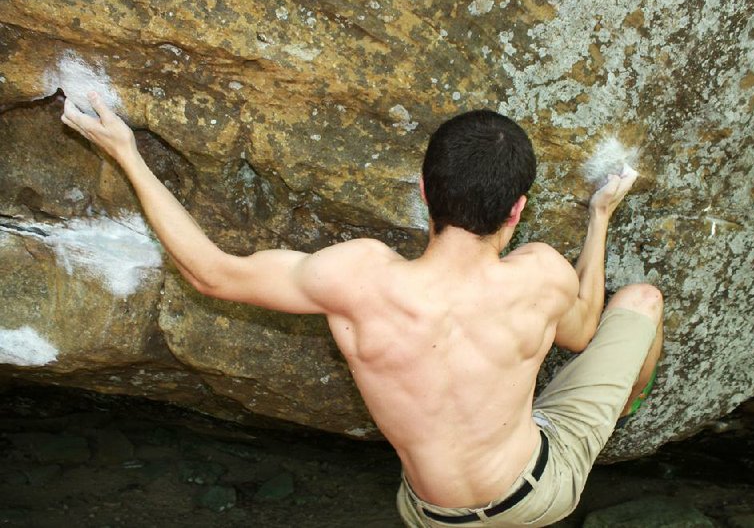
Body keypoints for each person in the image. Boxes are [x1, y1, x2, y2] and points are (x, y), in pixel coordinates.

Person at [62, 94, 662, 527]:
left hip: (433, 515)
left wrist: (127, 153)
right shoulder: (543, 276)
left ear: (424, 191)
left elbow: (211, 273)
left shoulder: (358, 280)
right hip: (536, 495)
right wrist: (599, 218)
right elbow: (583, 331)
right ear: (516, 211)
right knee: (642, 302)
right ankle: (627, 410)